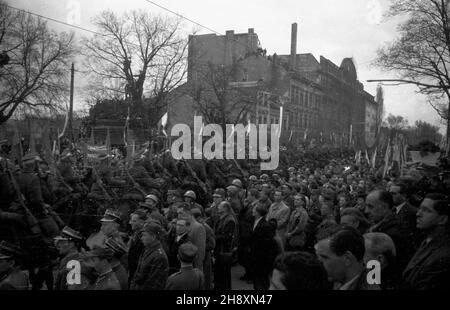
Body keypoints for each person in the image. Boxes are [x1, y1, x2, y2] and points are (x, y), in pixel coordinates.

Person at [402, 193, 450, 290]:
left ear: (443, 219)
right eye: (420, 208)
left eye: (426, 210)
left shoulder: (443, 256)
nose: (418, 214)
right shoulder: (427, 241)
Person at [365, 190, 415, 277]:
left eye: (370, 207)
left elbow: (378, 273)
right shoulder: (381, 226)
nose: (366, 211)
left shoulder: (393, 234)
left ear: (384, 207)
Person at [315, 228, 380, 290]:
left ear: (347, 259)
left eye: (324, 257)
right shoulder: (336, 280)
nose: (318, 262)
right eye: (318, 257)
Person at [130, 222, 169, 290]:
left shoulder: (159, 257)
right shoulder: (147, 249)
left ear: (153, 237)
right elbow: (137, 273)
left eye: (144, 235)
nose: (141, 238)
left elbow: (153, 285)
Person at [250, 203, 278, 290]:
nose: (252, 211)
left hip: (262, 258)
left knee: (262, 281)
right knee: (257, 280)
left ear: (258, 212)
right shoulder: (255, 221)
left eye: (254, 209)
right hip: (256, 257)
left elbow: (267, 244)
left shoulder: (264, 226)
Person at [214, 201, 238, 290]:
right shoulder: (222, 218)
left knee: (224, 274)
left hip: (225, 251)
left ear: (225, 208)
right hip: (220, 250)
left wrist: (214, 237)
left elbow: (227, 237)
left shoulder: (230, 220)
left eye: (220, 206)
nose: (218, 207)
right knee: (219, 273)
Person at [191, 207, 215, 290]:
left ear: (197, 217)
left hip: (205, 256)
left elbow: (212, 244)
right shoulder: (196, 226)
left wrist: (200, 246)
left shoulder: (205, 227)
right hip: (199, 255)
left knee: (205, 278)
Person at [177, 203, 206, 272]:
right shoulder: (183, 225)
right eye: (178, 213)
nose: (179, 216)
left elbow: (200, 251)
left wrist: (197, 268)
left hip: (193, 266)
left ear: (189, 213)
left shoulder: (198, 227)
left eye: (181, 213)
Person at [238, 188, 257, 282]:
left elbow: (251, 220)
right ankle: (247, 273)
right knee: (244, 256)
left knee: (249, 256)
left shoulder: (256, 206)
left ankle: (252, 276)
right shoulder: (249, 205)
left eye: (249, 195)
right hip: (244, 233)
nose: (247, 197)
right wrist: (244, 207)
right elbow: (241, 216)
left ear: (253, 196)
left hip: (249, 234)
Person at [127, 210, 146, 284]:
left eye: (134, 221)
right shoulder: (136, 232)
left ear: (142, 222)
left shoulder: (143, 238)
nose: (130, 222)